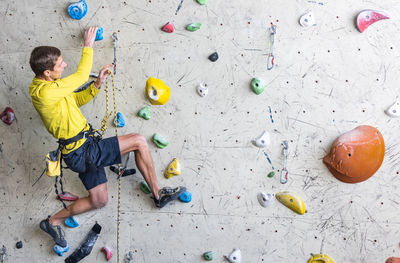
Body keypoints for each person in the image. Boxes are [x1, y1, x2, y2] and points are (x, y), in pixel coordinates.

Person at [29, 27, 185, 248]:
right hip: (82, 151)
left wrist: (97, 84)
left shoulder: (49, 88)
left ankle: (52, 221)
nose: (64, 65)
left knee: (99, 200)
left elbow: (75, 100)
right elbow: (81, 75)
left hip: (80, 152)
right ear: (47, 72)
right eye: (60, 64)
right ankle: (158, 194)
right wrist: (88, 46)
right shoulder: (44, 92)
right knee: (139, 141)